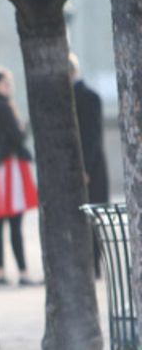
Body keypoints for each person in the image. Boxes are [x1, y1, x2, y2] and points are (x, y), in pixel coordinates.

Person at [0, 68, 39, 286]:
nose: (9, 87)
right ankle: (22, 272)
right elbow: (18, 136)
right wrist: (26, 127)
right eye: (5, 83)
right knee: (15, 225)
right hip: (9, 170)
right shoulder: (4, 108)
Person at [70, 53, 109, 278]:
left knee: (92, 220)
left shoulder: (88, 97)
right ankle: (91, 264)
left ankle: (95, 265)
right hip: (84, 168)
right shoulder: (83, 95)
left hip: (91, 170)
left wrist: (86, 168)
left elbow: (93, 137)